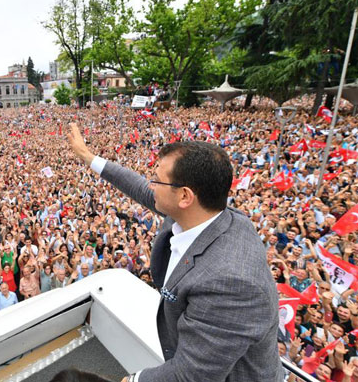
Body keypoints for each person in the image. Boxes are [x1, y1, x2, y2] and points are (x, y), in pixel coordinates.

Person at [66, 122, 282, 382]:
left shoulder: (231, 282)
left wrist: (133, 380)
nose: (150, 185)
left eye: (157, 179)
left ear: (185, 197)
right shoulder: (205, 214)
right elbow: (139, 188)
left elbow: (192, 375)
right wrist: (88, 157)